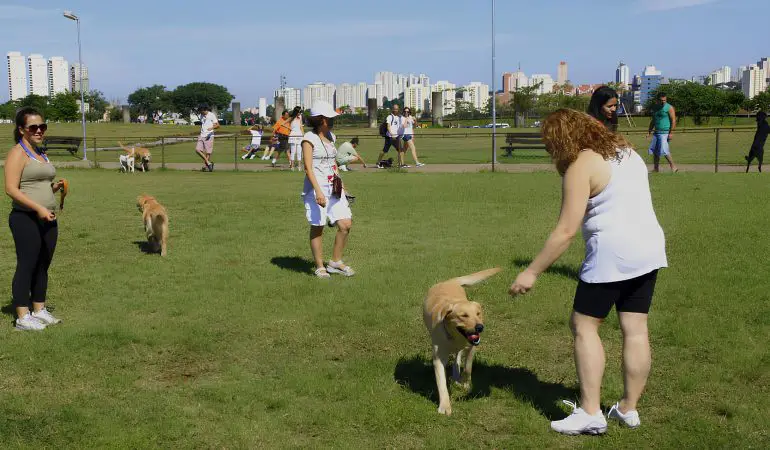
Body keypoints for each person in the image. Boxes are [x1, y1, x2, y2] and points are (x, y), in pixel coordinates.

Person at [509, 109, 667, 436]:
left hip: (612, 254)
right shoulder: (628, 152)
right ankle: (628, 409)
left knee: (583, 325)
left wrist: (531, 272)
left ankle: (591, 412)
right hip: (649, 249)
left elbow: (565, 231)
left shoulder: (581, 166)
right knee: (635, 328)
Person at [4, 107, 67, 330]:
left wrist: (54, 187)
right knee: (27, 264)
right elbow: (11, 189)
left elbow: (37, 184)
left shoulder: (40, 152)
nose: (39, 130)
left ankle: (39, 309)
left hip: (47, 217)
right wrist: (39, 208)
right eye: (33, 127)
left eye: (42, 126)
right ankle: (22, 317)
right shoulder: (17, 153)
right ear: (22, 130)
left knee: (43, 264)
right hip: (25, 217)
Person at [301, 100, 355, 279]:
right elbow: (308, 168)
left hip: (334, 186)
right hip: (316, 187)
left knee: (345, 224)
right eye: (330, 118)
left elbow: (333, 163)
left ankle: (335, 262)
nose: (333, 120)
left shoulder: (332, 136)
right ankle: (319, 266)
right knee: (318, 225)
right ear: (321, 119)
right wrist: (318, 191)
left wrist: (342, 186)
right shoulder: (309, 139)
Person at [647, 93, 679, 173]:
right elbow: (653, 121)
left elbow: (673, 120)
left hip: (665, 133)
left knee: (664, 150)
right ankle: (656, 168)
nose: (663, 102)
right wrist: (649, 132)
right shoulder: (655, 108)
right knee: (655, 151)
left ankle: (673, 167)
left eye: (664, 100)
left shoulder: (669, 107)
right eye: (661, 100)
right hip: (656, 132)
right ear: (657, 100)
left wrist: (671, 133)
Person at [376, 104, 405, 169]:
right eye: (394, 109)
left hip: (396, 137)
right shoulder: (390, 117)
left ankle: (402, 164)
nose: (396, 110)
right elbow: (388, 126)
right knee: (384, 151)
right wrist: (391, 134)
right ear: (392, 109)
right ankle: (378, 162)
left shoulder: (399, 117)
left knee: (401, 150)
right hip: (389, 137)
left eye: (397, 109)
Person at [195, 104, 220, 172]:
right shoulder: (201, 115)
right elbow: (203, 124)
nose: (200, 112)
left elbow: (218, 125)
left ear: (204, 109)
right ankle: (208, 163)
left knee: (208, 152)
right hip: (201, 135)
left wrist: (211, 128)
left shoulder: (211, 115)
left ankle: (207, 165)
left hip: (209, 136)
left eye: (200, 110)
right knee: (197, 150)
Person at [288, 106, 305, 171]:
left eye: (300, 112)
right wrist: (289, 129)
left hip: (299, 135)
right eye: (299, 112)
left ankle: (299, 166)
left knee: (299, 151)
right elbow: (283, 124)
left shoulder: (300, 117)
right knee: (293, 151)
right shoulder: (291, 118)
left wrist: (303, 135)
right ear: (296, 112)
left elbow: (301, 127)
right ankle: (292, 166)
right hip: (293, 135)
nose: (300, 113)